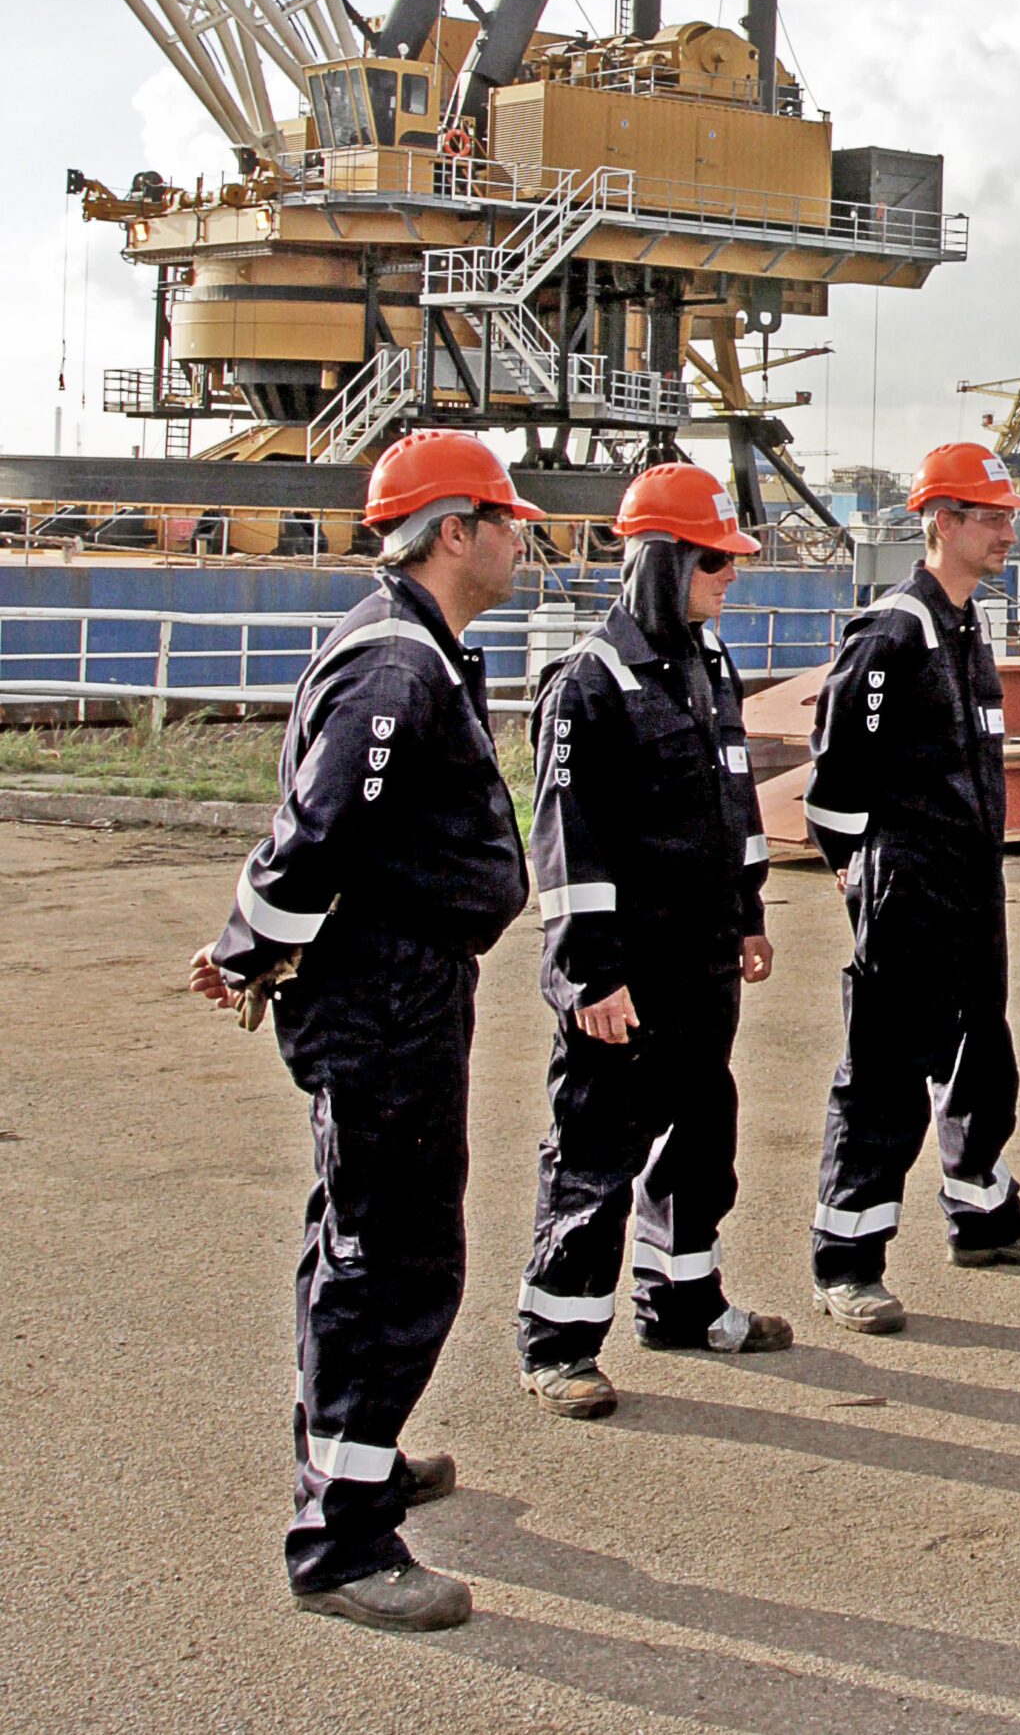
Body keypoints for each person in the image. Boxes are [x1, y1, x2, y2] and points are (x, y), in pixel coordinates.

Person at [187, 430, 537, 1632]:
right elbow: (322, 830)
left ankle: (356, 1456)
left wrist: (254, 940)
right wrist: (250, 944)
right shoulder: (395, 668)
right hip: (384, 992)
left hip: (401, 979)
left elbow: (324, 832)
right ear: (454, 532)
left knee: (360, 1234)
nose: (520, 535)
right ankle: (341, 1544)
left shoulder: (416, 649)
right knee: (390, 1257)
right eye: (506, 518)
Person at [516, 462, 792, 1421]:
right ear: (664, 561)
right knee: (597, 1151)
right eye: (716, 562)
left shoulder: (710, 665)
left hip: (703, 960)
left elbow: (736, 803)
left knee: (701, 1141)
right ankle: (557, 1340)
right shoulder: (589, 687)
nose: (731, 579)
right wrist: (589, 973)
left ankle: (681, 1301)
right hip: (623, 976)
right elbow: (566, 843)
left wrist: (750, 912)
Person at [799, 442, 1020, 1333]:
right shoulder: (894, 634)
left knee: (982, 1058)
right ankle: (847, 1260)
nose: (1007, 532)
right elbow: (837, 781)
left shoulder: (966, 628)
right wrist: (862, 877)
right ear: (942, 525)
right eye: (993, 518)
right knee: (882, 1073)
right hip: (907, 887)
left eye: (1009, 519)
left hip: (969, 882)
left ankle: (983, 1214)